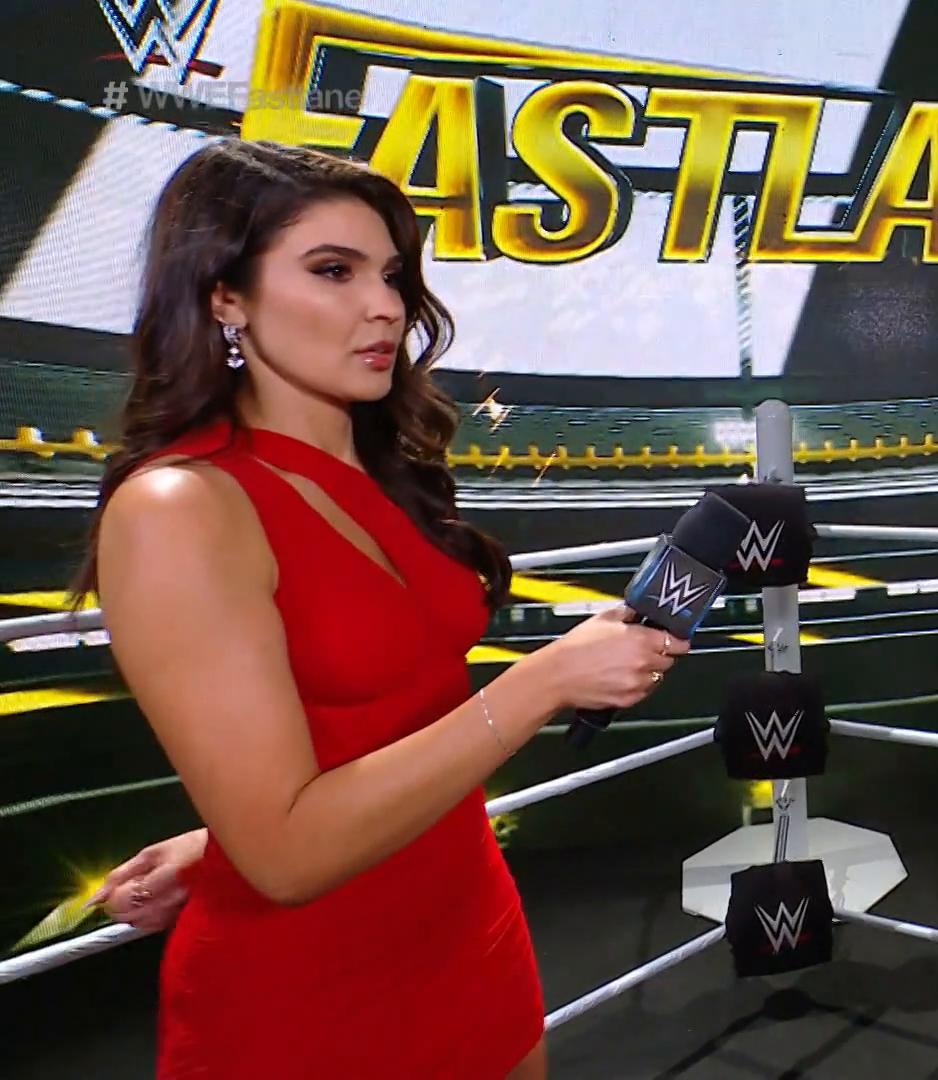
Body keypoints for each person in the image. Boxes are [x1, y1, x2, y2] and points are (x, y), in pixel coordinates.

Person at [72, 139, 689, 1079]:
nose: (387, 307)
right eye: (334, 270)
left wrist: (221, 837)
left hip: (472, 931)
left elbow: (369, 730)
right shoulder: (180, 507)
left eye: (393, 275)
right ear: (225, 297)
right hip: (311, 1003)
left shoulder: (385, 471)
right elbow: (285, 856)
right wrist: (543, 683)